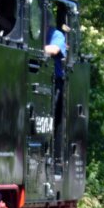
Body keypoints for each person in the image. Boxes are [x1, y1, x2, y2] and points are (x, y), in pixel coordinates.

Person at [45, 24, 70, 176]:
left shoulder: (56, 34)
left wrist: (35, 47)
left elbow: (54, 49)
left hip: (55, 82)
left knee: (51, 119)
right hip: (43, 79)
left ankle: (52, 159)